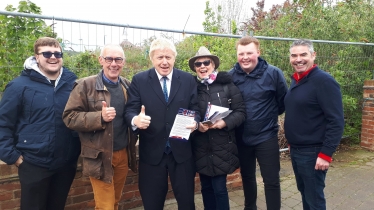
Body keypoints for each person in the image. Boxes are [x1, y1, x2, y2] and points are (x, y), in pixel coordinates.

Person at [0, 37, 80, 210]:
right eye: (47, 53)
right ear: (36, 57)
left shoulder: (72, 85)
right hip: (34, 163)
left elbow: (80, 116)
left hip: (66, 162)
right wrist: (12, 156)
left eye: (57, 53)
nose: (53, 57)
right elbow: (3, 123)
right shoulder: (18, 86)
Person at [125, 38, 200, 210]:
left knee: (187, 203)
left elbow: (195, 108)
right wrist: (135, 120)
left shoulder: (188, 80)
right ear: (152, 59)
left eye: (168, 57)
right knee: (152, 203)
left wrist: (195, 122)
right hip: (151, 153)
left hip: (181, 153)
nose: (164, 62)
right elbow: (130, 110)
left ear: (174, 58)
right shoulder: (140, 80)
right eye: (160, 57)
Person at [62, 44, 138, 210]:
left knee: (115, 201)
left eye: (118, 59)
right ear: (100, 60)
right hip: (99, 156)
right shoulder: (85, 86)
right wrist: (99, 117)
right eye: (109, 59)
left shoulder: (127, 86)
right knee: (105, 206)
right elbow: (69, 117)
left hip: (123, 154)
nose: (113, 64)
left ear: (123, 62)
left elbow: (131, 116)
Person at [228, 36, 288, 210]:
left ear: (258, 53)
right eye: (241, 53)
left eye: (249, 53)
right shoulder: (231, 77)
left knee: (271, 180)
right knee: (247, 178)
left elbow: (282, 102)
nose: (245, 57)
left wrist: (266, 117)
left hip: (266, 136)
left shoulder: (273, 73)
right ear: (237, 55)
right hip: (241, 137)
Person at [284, 39, 344, 210]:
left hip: (313, 152)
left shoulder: (324, 81)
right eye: (294, 55)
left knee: (314, 199)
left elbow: (336, 120)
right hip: (297, 150)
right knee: (305, 193)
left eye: (303, 54)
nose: (298, 59)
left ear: (313, 55)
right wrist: (291, 142)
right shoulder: (297, 80)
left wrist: (326, 154)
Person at [188, 46, 246, 210]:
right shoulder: (192, 88)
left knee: (219, 188)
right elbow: (188, 111)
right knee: (205, 187)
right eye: (198, 64)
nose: (202, 66)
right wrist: (196, 125)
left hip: (221, 145)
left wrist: (224, 123)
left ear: (213, 64)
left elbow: (240, 112)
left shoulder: (227, 86)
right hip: (200, 145)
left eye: (206, 62)